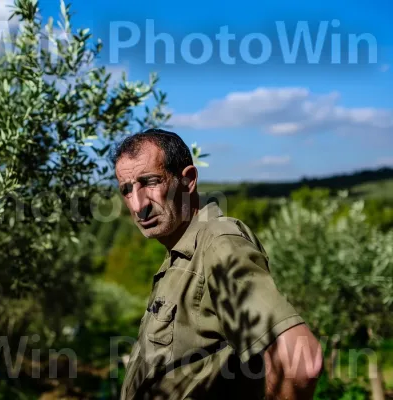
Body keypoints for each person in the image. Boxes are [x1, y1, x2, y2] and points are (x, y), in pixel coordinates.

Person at [111, 128, 323, 400]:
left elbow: (300, 362)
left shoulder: (218, 244)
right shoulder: (181, 253)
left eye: (150, 182)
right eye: (127, 190)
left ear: (187, 181)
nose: (139, 204)